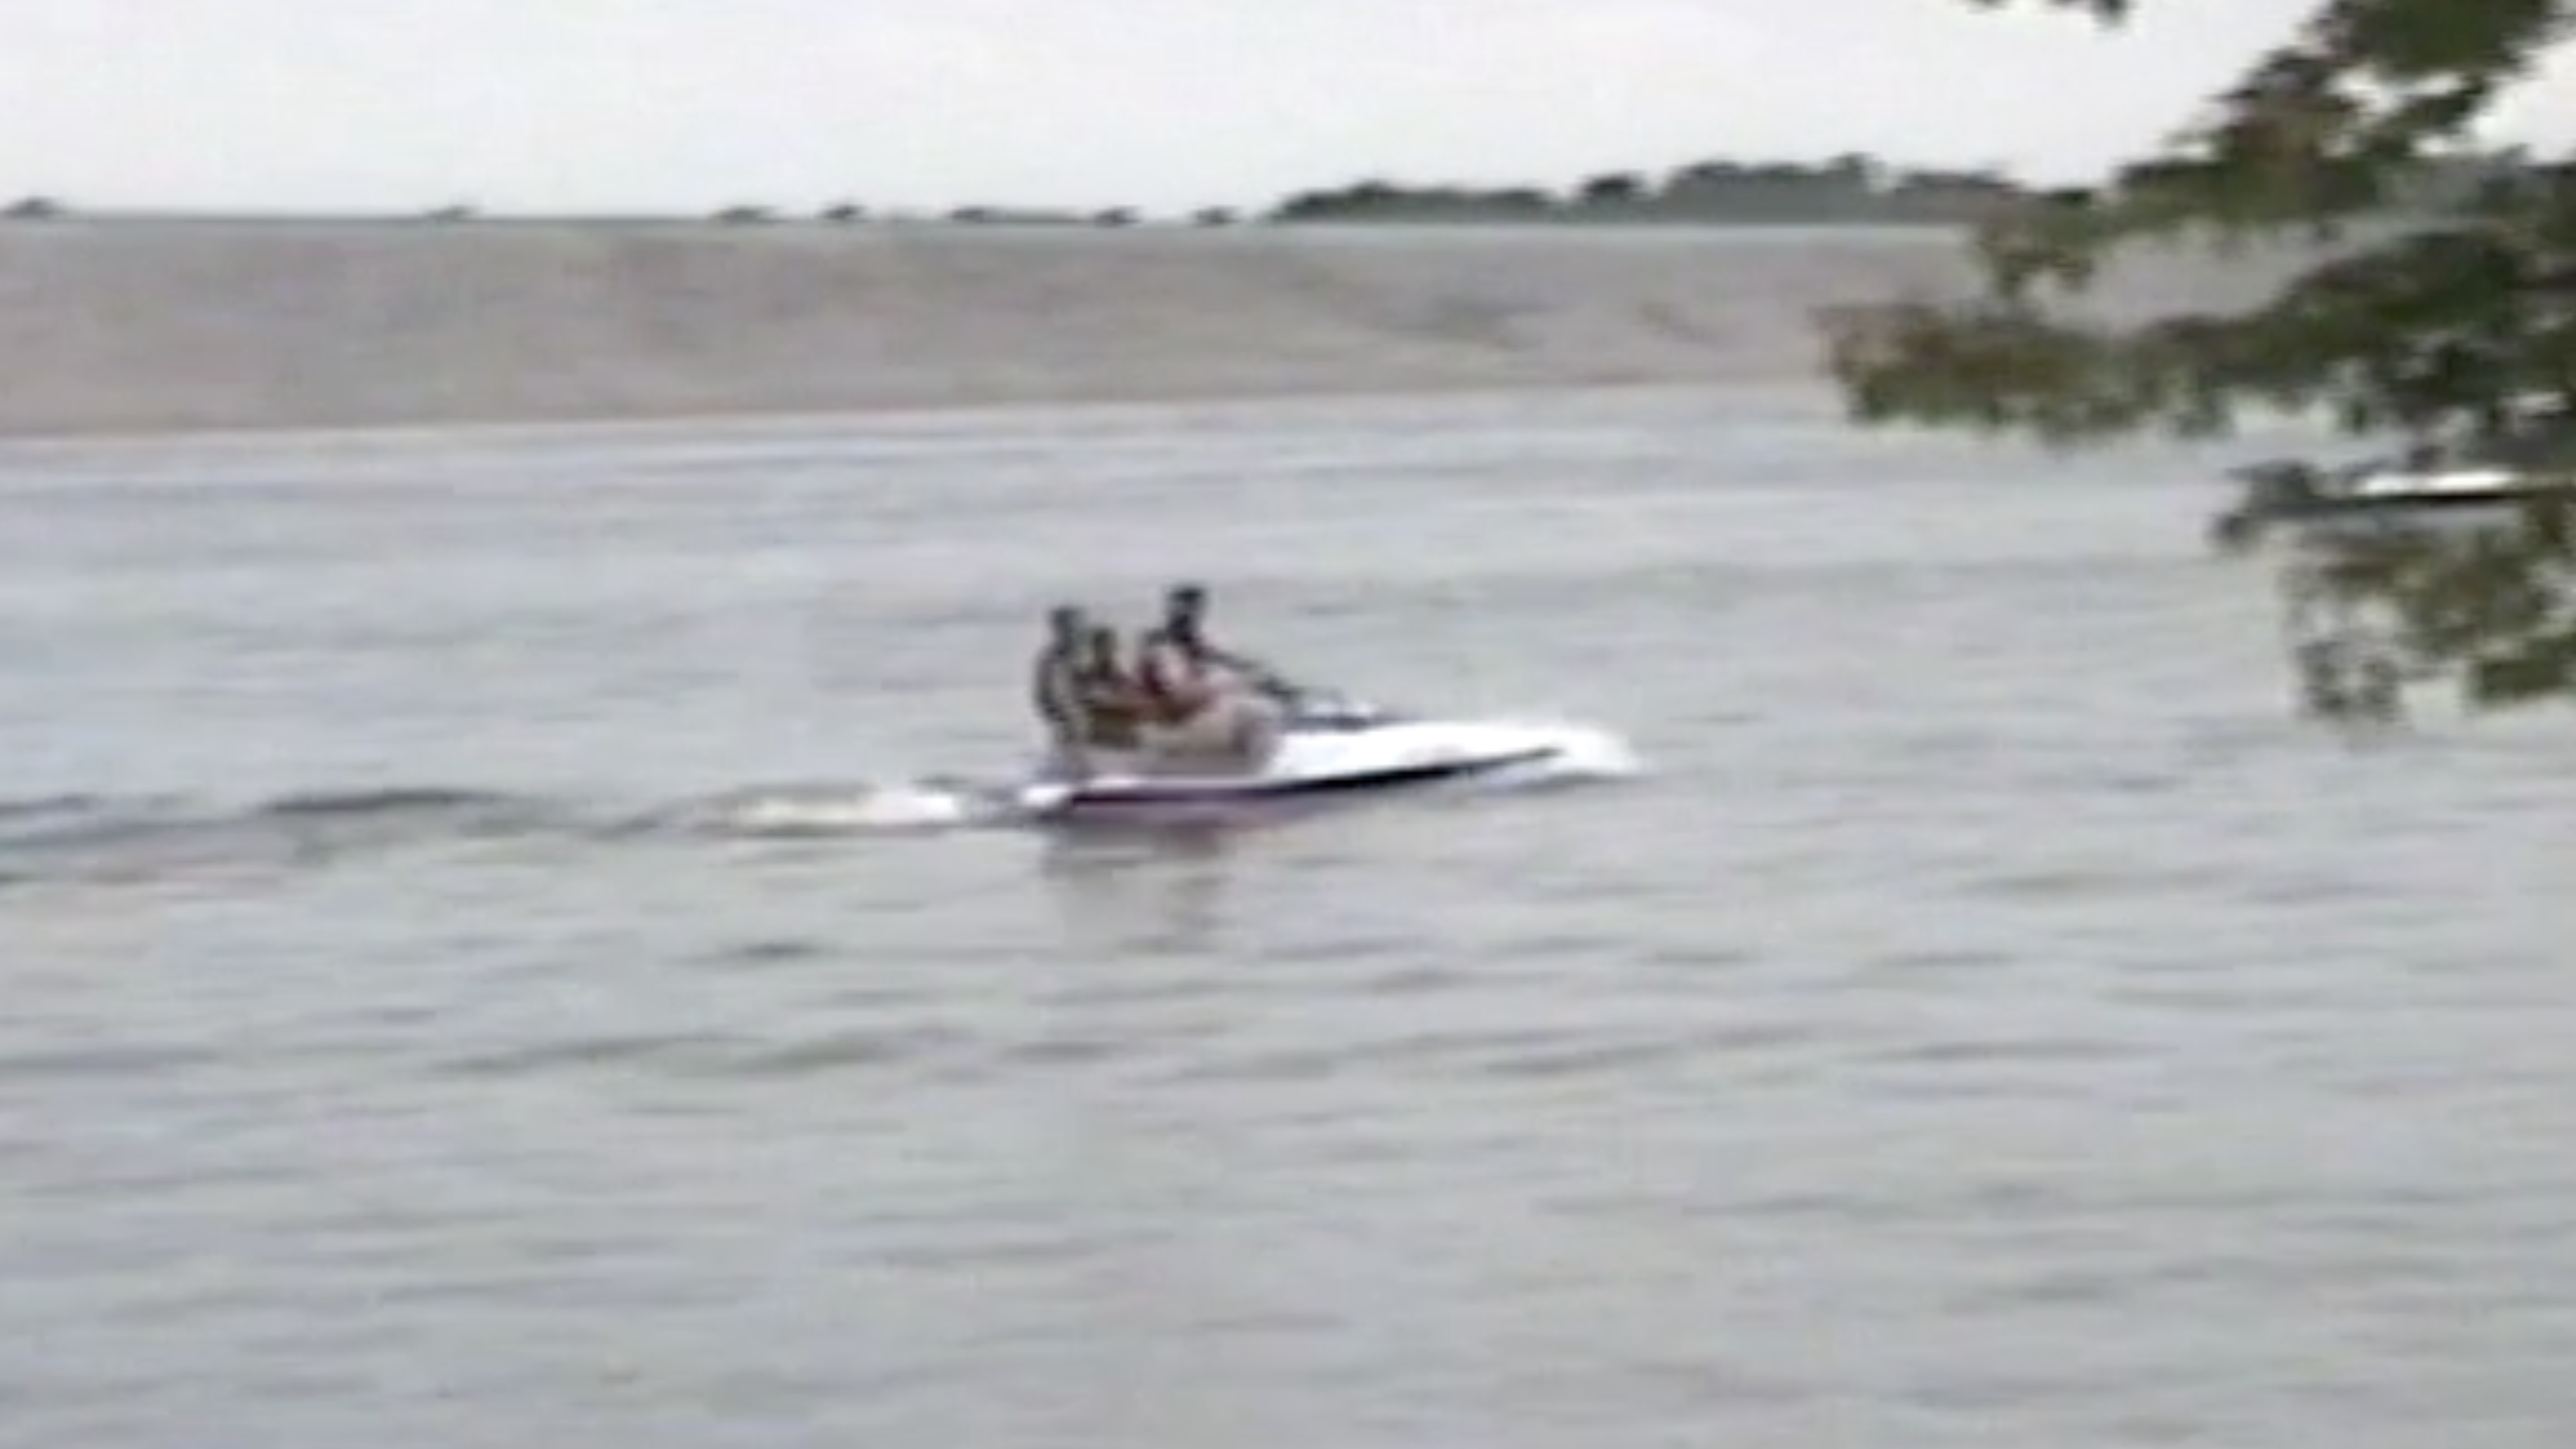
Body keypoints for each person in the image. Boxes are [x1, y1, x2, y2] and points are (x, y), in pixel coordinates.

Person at [1132, 582, 1283, 771]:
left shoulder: (1189, 643)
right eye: (1192, 611)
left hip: (1184, 719)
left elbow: (1221, 658)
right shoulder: (1163, 647)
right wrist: (1231, 685)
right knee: (1261, 713)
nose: (1196, 618)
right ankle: (1255, 778)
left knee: (1249, 703)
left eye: (1198, 610)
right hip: (1173, 726)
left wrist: (1257, 673)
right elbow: (1181, 699)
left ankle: (1236, 767)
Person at [1029, 604, 1093, 775]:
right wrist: (1057, 717)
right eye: (1071, 626)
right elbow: (1043, 694)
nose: (1077, 631)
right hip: (1065, 719)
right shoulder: (1050, 659)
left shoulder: (1079, 655)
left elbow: (1084, 686)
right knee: (1069, 756)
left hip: (1079, 717)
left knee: (1080, 756)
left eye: (1078, 625)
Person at [1074, 624, 1148, 751]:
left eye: (1110, 647)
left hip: (1126, 739)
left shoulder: (1121, 677)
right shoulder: (1086, 677)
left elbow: (1138, 704)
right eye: (1103, 647)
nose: (1107, 652)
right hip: (1102, 741)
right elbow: (1096, 704)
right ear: (1095, 649)